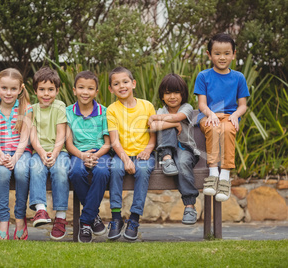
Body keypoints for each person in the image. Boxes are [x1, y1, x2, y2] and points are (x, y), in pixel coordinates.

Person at [194, 33, 250, 202]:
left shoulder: (239, 78)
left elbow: (243, 105)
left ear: (234, 54)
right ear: (209, 55)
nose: (222, 57)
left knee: (226, 129)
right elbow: (202, 104)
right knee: (214, 127)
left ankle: (224, 177)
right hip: (209, 116)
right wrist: (210, 114)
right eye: (217, 53)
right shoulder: (203, 76)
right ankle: (213, 175)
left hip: (229, 117)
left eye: (227, 53)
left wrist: (235, 116)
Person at [106, 67, 156, 240]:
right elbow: (114, 141)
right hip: (122, 154)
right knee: (115, 169)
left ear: (133, 84)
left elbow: (153, 135)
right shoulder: (112, 110)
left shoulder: (147, 106)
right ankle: (116, 217)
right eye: (116, 84)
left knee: (142, 170)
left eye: (125, 82)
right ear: (111, 89)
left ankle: (134, 219)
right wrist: (126, 159)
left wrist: (148, 149)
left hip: (144, 154)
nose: (122, 86)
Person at [0, 68, 32, 240]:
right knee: (3, 173)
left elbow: (25, 138)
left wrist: (15, 157)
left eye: (13, 89)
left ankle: (20, 217)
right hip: (1, 152)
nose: (8, 92)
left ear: (20, 89)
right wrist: (0, 155)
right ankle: (3, 219)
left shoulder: (25, 109)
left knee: (21, 171)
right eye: (4, 88)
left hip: (21, 152)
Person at [149, 73, 201, 225]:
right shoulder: (161, 110)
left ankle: (190, 206)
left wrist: (162, 120)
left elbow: (177, 117)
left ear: (183, 94)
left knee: (183, 163)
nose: (172, 96)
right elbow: (153, 127)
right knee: (168, 128)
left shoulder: (187, 108)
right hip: (166, 153)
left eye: (176, 92)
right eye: (167, 93)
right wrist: (173, 125)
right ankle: (167, 159)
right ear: (162, 96)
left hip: (185, 149)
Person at [65, 71, 111, 243]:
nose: (85, 92)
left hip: (100, 152)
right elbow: (69, 144)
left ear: (96, 91)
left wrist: (95, 155)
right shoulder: (68, 112)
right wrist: (83, 156)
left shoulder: (103, 112)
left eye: (90, 88)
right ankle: (94, 217)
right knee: (75, 172)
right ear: (74, 90)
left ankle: (85, 222)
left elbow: (108, 143)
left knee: (102, 173)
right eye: (81, 88)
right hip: (78, 153)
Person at [29, 67, 70, 240]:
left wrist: (53, 153)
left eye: (51, 90)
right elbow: (32, 135)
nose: (46, 94)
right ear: (35, 90)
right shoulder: (32, 110)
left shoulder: (60, 106)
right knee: (36, 169)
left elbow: (61, 133)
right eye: (42, 89)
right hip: (39, 151)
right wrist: (40, 152)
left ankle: (60, 217)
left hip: (59, 151)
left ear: (57, 91)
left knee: (60, 171)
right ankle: (41, 210)